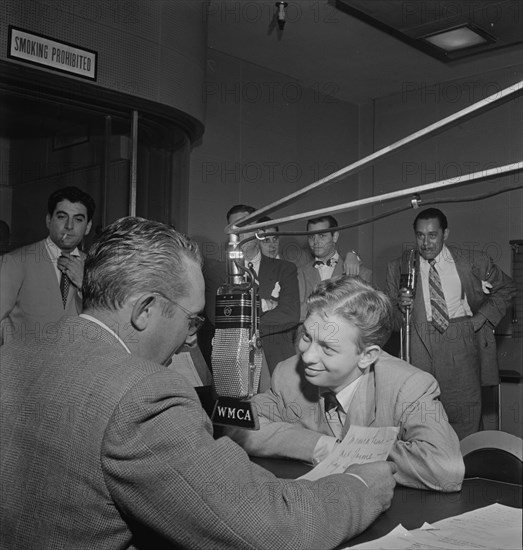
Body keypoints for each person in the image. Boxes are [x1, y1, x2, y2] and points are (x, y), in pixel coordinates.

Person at [0, 216, 397, 550]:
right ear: (145, 310)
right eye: (191, 320)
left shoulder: (14, 354)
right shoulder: (142, 394)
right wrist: (360, 486)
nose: (191, 338)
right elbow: (269, 526)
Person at [227, 276, 464, 492]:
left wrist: (348, 452)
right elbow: (237, 425)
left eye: (327, 348)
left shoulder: (410, 386)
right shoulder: (289, 373)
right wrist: (321, 446)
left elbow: (446, 467)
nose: (307, 356)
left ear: (367, 356)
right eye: (307, 337)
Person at [385, 208, 516, 440]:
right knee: (419, 419)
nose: (425, 243)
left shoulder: (473, 261)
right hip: (418, 345)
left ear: (445, 234)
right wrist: (399, 306)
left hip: (461, 343)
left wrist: (480, 319)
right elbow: (393, 323)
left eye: (432, 235)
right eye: (420, 235)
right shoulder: (399, 267)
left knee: (464, 417)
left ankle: (466, 470)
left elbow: (507, 288)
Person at [204, 204, 300, 373]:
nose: (239, 234)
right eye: (234, 229)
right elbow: (217, 318)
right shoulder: (217, 273)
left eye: (244, 226)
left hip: (276, 365)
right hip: (234, 367)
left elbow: (290, 314)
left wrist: (240, 316)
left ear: (260, 231)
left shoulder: (284, 269)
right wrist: (263, 306)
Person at [0, 186, 95, 344]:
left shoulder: (95, 267)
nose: (69, 226)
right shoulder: (15, 261)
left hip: (75, 365)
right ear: (48, 220)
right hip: (26, 364)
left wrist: (84, 284)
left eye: (78, 219)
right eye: (61, 217)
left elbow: (105, 321)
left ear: (88, 227)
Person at [297, 215, 372, 321]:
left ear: (335, 237)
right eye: (311, 236)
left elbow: (366, 318)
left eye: (322, 236)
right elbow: (297, 315)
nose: (315, 242)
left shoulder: (361, 273)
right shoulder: (299, 273)